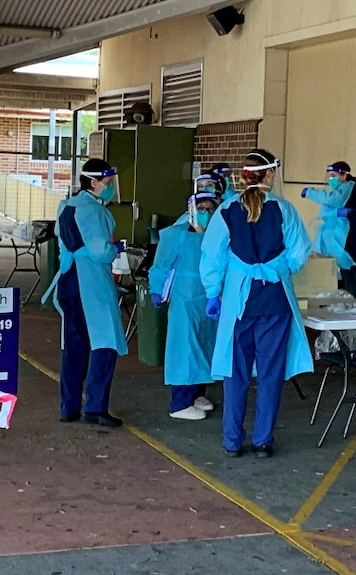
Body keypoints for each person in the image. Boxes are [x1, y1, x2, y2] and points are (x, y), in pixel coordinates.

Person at [200, 149, 313, 457]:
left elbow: (211, 256)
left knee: (234, 373)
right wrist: (280, 268)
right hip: (275, 302)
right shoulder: (284, 210)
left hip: (238, 302)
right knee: (270, 373)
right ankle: (262, 441)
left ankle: (231, 441)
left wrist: (213, 292)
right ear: (270, 174)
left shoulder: (227, 210)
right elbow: (301, 251)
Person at [42, 158, 128, 427]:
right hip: (90, 282)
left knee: (74, 345)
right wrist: (118, 249)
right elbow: (102, 249)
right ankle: (95, 406)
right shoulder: (93, 211)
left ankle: (69, 406)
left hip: (69, 280)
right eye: (107, 182)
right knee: (105, 342)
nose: (110, 187)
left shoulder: (67, 205)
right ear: (93, 182)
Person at [148, 177, 221, 420]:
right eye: (200, 209)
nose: (205, 214)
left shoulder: (218, 237)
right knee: (184, 348)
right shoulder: (177, 234)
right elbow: (160, 265)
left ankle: (196, 393)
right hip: (185, 298)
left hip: (208, 299)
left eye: (210, 210)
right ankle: (179, 402)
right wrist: (156, 289)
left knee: (204, 346)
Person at [300, 161, 356, 299]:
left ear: (344, 176)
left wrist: (310, 192)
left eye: (334, 175)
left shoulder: (351, 188)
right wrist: (335, 213)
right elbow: (324, 211)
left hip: (351, 250)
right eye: (329, 176)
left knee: (352, 294)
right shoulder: (339, 192)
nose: (331, 179)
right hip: (337, 251)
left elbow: (332, 200)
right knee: (338, 293)